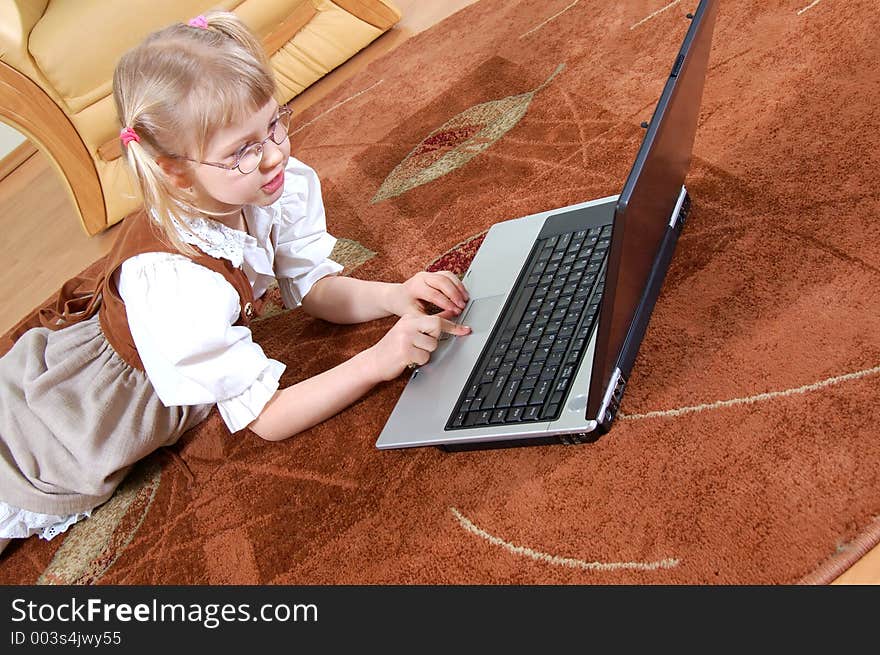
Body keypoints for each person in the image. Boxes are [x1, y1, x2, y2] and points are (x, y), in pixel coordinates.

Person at [0, 11, 471, 555]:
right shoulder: (177, 285)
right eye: (242, 150)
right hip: (64, 425)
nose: (274, 154)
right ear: (175, 170)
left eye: (274, 124)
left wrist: (391, 296)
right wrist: (378, 360)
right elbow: (268, 418)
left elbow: (313, 288)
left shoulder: (272, 187)